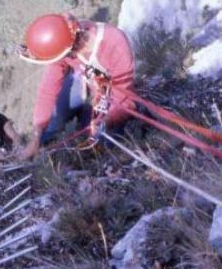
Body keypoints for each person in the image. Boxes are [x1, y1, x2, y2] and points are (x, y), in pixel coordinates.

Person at [17, 13, 135, 160]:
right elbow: (48, 90)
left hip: (110, 94)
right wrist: (36, 134)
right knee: (55, 120)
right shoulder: (65, 42)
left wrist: (105, 121)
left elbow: (124, 98)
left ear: (70, 48)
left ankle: (87, 120)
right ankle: (45, 139)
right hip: (86, 83)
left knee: (100, 145)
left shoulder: (114, 42)